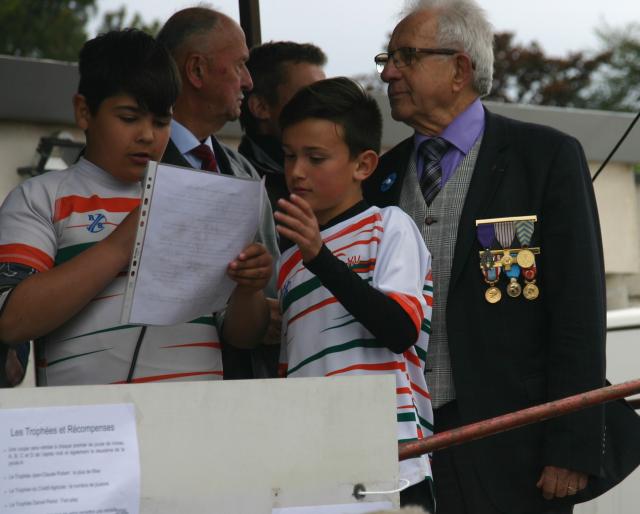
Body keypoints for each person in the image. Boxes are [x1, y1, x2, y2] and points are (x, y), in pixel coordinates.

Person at [364, 1, 640, 513]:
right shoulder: (380, 176)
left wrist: (572, 446)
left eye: (406, 56)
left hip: (517, 453)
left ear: (459, 69)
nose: (388, 72)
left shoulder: (545, 158)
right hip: (405, 452)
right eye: (387, 58)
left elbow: (578, 310)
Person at [0, 29, 272, 386]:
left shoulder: (200, 200)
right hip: (91, 419)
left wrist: (250, 288)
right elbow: (12, 322)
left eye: (161, 122)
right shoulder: (40, 197)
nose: (147, 135)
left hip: (198, 415)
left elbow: (243, 336)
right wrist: (125, 241)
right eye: (129, 118)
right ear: (84, 111)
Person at [275, 77, 434, 505]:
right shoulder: (288, 260)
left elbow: (400, 329)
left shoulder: (390, 225)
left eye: (315, 158)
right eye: (289, 155)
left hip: (391, 465)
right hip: (312, 467)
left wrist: (320, 257)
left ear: (363, 165)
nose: (297, 171)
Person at [157, 7, 281, 379]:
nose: (249, 81)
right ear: (196, 70)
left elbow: (270, 289)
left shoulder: (244, 172)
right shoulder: (136, 165)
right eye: (240, 64)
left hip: (241, 386)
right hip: (160, 381)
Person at [238, 41, 327, 210]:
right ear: (260, 107)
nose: (326, 108)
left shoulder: (338, 175)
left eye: (325, 96)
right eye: (308, 97)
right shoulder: (242, 192)